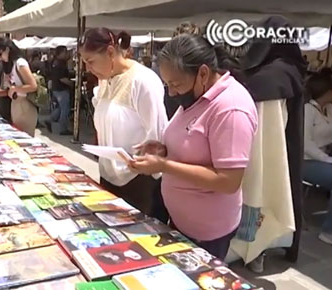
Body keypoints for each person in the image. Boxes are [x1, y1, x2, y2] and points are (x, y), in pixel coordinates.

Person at [129, 34, 258, 260]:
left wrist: (164, 165)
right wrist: (163, 149)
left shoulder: (231, 109)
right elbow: (193, 146)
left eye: (176, 84)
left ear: (203, 73)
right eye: (167, 85)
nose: (171, 93)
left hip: (208, 231)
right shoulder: (198, 95)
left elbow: (228, 181)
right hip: (183, 223)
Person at [233, 15, 307, 271]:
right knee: (265, 196)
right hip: (276, 145)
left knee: (259, 194)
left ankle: (255, 252)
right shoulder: (288, 68)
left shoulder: (271, 73)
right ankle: (255, 251)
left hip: (265, 145)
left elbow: (269, 125)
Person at [80, 28, 169, 222]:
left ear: (111, 52)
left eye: (90, 61)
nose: (87, 69)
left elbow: (159, 134)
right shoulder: (106, 80)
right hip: (108, 175)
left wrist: (144, 161)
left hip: (138, 181)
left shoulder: (143, 80)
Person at [302, 72, 332, 245]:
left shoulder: (328, 110)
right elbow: (306, 144)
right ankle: (328, 231)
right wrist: (326, 159)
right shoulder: (308, 110)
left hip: (323, 157)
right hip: (306, 161)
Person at [45, 45, 74, 135]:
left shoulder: (54, 62)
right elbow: (62, 78)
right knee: (65, 109)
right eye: (65, 52)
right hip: (61, 89)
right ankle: (63, 129)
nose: (66, 54)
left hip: (56, 88)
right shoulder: (60, 64)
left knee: (60, 108)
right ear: (61, 53)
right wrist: (72, 84)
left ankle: (49, 120)